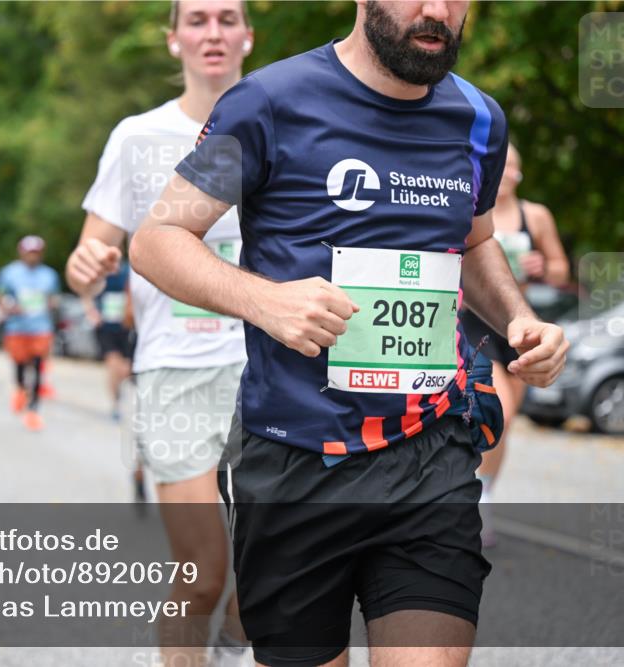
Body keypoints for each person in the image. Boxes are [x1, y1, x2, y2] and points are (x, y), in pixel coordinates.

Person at [128, 1, 569, 666]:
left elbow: (474, 243)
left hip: (431, 453)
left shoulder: (480, 120)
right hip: (295, 461)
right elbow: (158, 239)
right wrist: (265, 300)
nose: (435, 11)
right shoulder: (267, 103)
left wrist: (518, 318)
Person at [66, 2, 254, 663]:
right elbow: (87, 260)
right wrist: (87, 264)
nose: (213, 32)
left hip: (269, 368)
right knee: (203, 569)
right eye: (197, 20)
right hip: (176, 371)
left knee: (267, 570)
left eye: (227, 19)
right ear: (173, 39)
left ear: (247, 37)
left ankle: (234, 645)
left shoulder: (280, 125)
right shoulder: (136, 136)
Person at [460, 142, 569, 545]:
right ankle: (475, 495)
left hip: (519, 326)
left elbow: (560, 268)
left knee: (505, 424)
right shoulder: (471, 205)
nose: (507, 176)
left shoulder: (535, 215)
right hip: (477, 321)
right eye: (502, 168)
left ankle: (485, 490)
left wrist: (543, 268)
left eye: (514, 171)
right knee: (499, 411)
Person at [0, 235, 61, 432]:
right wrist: (9, 307)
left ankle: (33, 408)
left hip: (41, 327)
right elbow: (0, 296)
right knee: (19, 365)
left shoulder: (49, 275)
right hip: (17, 327)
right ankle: (20, 390)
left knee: (38, 365)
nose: (32, 256)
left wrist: (50, 305)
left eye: (36, 252)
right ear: (22, 252)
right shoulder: (9, 273)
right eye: (29, 252)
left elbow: (54, 299)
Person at [83, 260, 135, 421]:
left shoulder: (129, 271)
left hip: (126, 328)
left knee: (126, 370)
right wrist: (92, 312)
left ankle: (120, 393)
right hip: (106, 328)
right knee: (113, 365)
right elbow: (86, 293)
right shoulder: (98, 271)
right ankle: (116, 404)